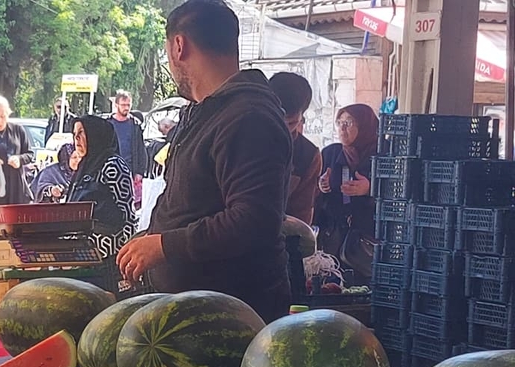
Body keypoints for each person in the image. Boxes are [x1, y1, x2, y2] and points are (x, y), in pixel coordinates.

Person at [116, 0, 292, 321]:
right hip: (192, 313)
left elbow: (253, 220)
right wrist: (153, 238)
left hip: (226, 321)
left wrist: (165, 245)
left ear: (179, 46)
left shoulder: (248, 117)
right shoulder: (208, 111)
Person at [314, 104, 379, 281]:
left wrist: (370, 188)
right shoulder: (331, 153)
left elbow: (399, 190)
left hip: (369, 236)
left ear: (365, 126)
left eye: (349, 123)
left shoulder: (382, 153)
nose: (342, 128)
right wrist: (321, 186)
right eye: (339, 122)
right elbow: (312, 190)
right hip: (334, 235)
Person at [68, 116, 136, 263]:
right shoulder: (84, 167)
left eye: (82, 132)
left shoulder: (113, 166)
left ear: (95, 135)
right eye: (74, 134)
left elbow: (127, 218)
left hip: (106, 258)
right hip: (81, 254)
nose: (77, 138)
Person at [269, 72, 322, 226]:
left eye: (291, 123)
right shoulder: (242, 137)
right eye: (277, 120)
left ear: (301, 118)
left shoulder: (308, 155)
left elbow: (301, 214)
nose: (283, 129)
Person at [108, 90, 148, 194]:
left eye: (128, 105)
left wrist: (140, 172)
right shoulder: (107, 124)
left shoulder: (135, 125)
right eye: (123, 105)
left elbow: (141, 150)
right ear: (116, 105)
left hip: (130, 171)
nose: (126, 108)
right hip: (110, 171)